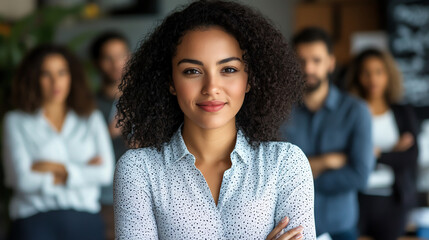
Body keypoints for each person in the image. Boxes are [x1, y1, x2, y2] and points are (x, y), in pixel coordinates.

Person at [114, 1, 316, 239]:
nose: (211, 88)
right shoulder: (139, 170)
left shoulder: (285, 164)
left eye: (228, 69)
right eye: (192, 71)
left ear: (250, 78)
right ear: (170, 82)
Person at [2, 45, 114, 240]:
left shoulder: (90, 118)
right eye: (46, 74)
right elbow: (23, 180)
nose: (56, 82)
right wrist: (82, 171)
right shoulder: (16, 121)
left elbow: (105, 173)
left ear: (71, 76)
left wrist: (53, 167)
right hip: (34, 221)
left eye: (62, 72)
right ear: (33, 78)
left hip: (86, 221)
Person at [279, 27, 374, 240]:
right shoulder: (277, 112)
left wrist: (300, 177)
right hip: (291, 231)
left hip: (340, 227)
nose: (308, 68)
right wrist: (325, 162)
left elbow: (360, 175)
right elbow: (275, 174)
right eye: (301, 60)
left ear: (331, 63)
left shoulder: (356, 111)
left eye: (316, 60)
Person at [346, 48, 419, 240]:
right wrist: (392, 152)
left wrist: (376, 154)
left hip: (393, 201)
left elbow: (411, 157)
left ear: (388, 75)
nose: (373, 79)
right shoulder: (351, 112)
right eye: (366, 73)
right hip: (357, 198)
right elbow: (345, 156)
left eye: (379, 72)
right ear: (357, 76)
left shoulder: (402, 113)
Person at [90, 31, 130, 240]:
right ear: (97, 63)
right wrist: (109, 131)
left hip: (140, 193)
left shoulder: (144, 100)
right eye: (108, 57)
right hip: (103, 196)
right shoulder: (87, 105)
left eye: (121, 55)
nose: (116, 63)